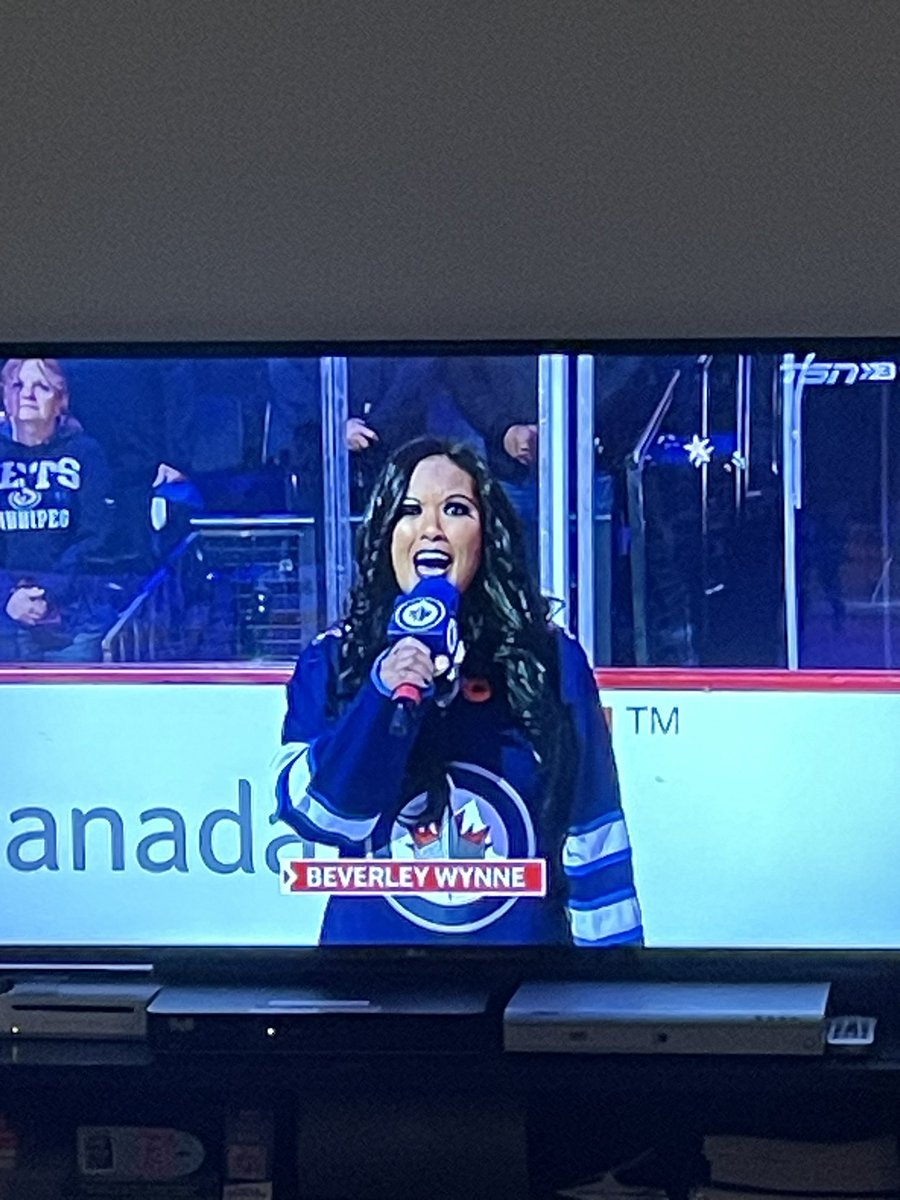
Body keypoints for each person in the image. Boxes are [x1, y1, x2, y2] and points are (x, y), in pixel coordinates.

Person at [273, 436, 643, 946]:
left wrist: (612, 980)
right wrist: (383, 693)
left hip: (521, 983)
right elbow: (319, 817)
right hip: (371, 980)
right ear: (384, 533)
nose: (431, 528)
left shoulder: (550, 659)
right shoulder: (334, 660)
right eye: (409, 511)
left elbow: (593, 829)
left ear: (487, 533)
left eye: (455, 509)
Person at [0, 358, 115, 661]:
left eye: (41, 386)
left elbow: (96, 535)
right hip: (4, 617)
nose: (27, 394)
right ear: (5, 395)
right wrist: (9, 597)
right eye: (18, 385)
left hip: (73, 621)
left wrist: (47, 593)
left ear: (60, 400)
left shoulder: (85, 452)